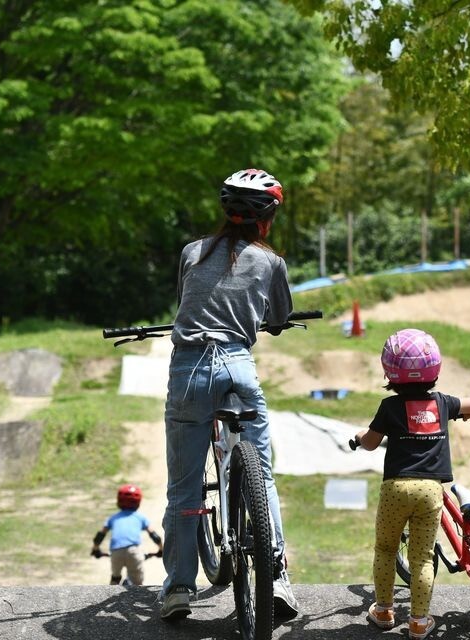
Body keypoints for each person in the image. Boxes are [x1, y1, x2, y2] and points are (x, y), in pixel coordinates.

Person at [159, 168, 298, 620]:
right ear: (267, 219)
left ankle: (179, 589)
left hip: (189, 368)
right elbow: (279, 317)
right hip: (237, 366)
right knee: (264, 475)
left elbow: (186, 300)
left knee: (183, 487)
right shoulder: (271, 262)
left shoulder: (192, 251)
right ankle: (277, 578)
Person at [352, 329, 470, 640]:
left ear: (389, 371)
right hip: (430, 491)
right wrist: (468, 413)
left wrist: (358, 437)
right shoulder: (444, 403)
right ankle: (419, 622)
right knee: (422, 558)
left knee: (386, 549)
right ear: (434, 368)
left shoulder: (389, 407)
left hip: (396, 489)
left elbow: (370, 442)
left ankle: (384, 611)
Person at [91, 484, 163, 586]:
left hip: (116, 552)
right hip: (133, 551)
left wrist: (95, 549)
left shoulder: (113, 518)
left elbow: (100, 535)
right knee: (137, 584)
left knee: (115, 578)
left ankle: (113, 584)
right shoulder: (140, 517)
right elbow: (154, 536)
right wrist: (161, 550)